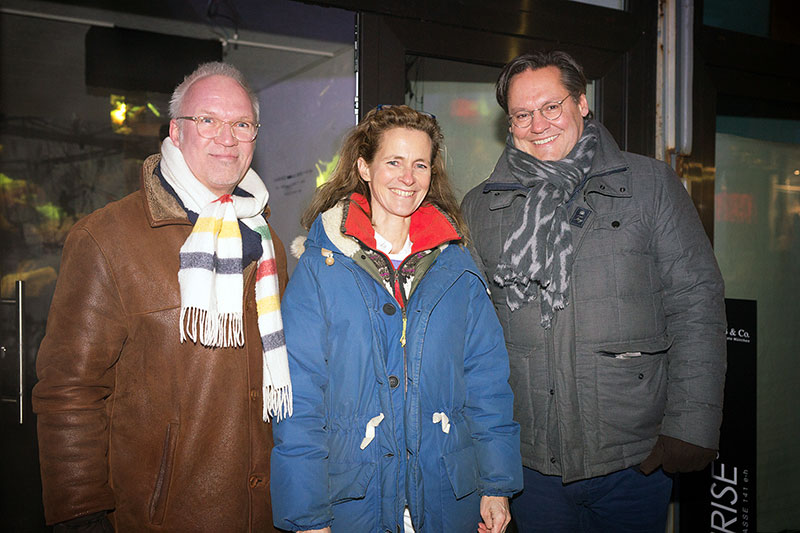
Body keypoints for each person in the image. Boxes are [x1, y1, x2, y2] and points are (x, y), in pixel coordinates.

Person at [461, 51, 727, 532]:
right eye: (522, 114)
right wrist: (486, 451)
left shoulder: (649, 185)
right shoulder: (481, 207)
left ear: (582, 103)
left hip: (634, 457)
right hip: (530, 464)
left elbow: (697, 304)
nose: (537, 124)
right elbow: (473, 341)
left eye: (551, 107)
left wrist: (689, 428)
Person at [33, 62, 291, 532]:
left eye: (242, 124)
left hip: (266, 514)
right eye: (207, 120)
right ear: (176, 130)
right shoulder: (107, 237)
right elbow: (70, 389)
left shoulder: (267, 240)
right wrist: (80, 515)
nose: (227, 137)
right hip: (161, 517)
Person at [271, 105, 522, 533]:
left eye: (420, 164)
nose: (408, 177)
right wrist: (307, 516)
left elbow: (487, 380)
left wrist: (497, 482)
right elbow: (299, 401)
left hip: (449, 496)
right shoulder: (322, 267)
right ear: (364, 167)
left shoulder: (457, 264)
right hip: (355, 500)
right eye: (394, 162)